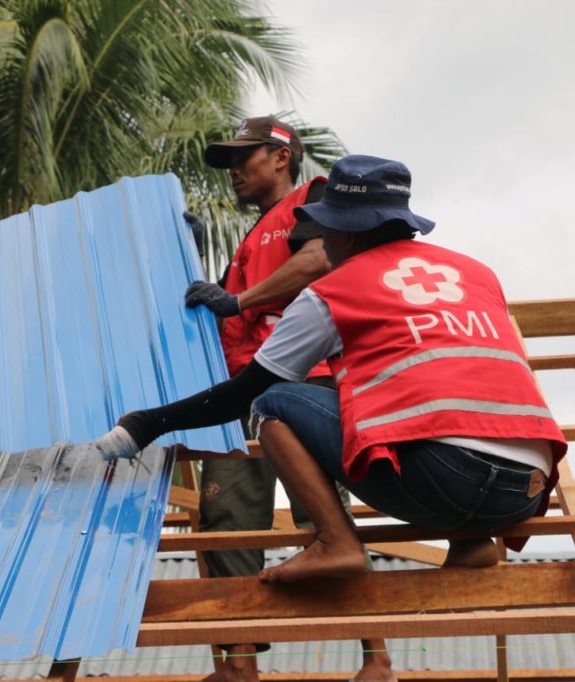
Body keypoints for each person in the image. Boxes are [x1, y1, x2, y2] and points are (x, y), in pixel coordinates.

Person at [98, 155, 568, 682]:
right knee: (440, 410)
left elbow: (243, 394)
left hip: (445, 477)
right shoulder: (476, 273)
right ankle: (472, 544)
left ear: (343, 232)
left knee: (272, 401)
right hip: (526, 489)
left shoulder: (333, 290)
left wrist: (147, 423)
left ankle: (336, 542)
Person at [180, 117, 374, 682]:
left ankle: (377, 658)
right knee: (226, 517)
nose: (235, 172)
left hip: (297, 381)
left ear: (281, 156)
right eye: (231, 163)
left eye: (246, 158)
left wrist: (237, 301)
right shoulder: (249, 237)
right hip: (243, 391)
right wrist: (184, 256)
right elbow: (221, 313)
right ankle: (238, 664)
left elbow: (317, 261)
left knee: (325, 518)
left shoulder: (309, 204)